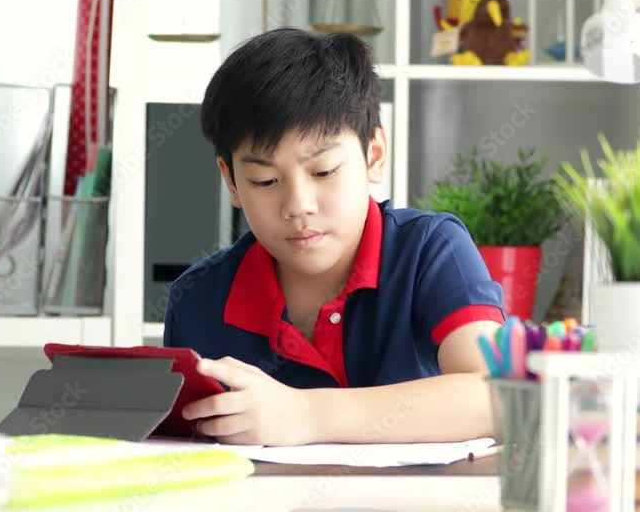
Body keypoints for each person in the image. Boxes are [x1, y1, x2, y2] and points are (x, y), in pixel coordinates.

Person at [163, 28, 505, 446]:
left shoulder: (430, 251)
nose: (298, 205)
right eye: (264, 180)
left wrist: (306, 415)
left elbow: (496, 395)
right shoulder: (197, 300)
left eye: (323, 171)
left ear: (374, 154)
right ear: (231, 181)